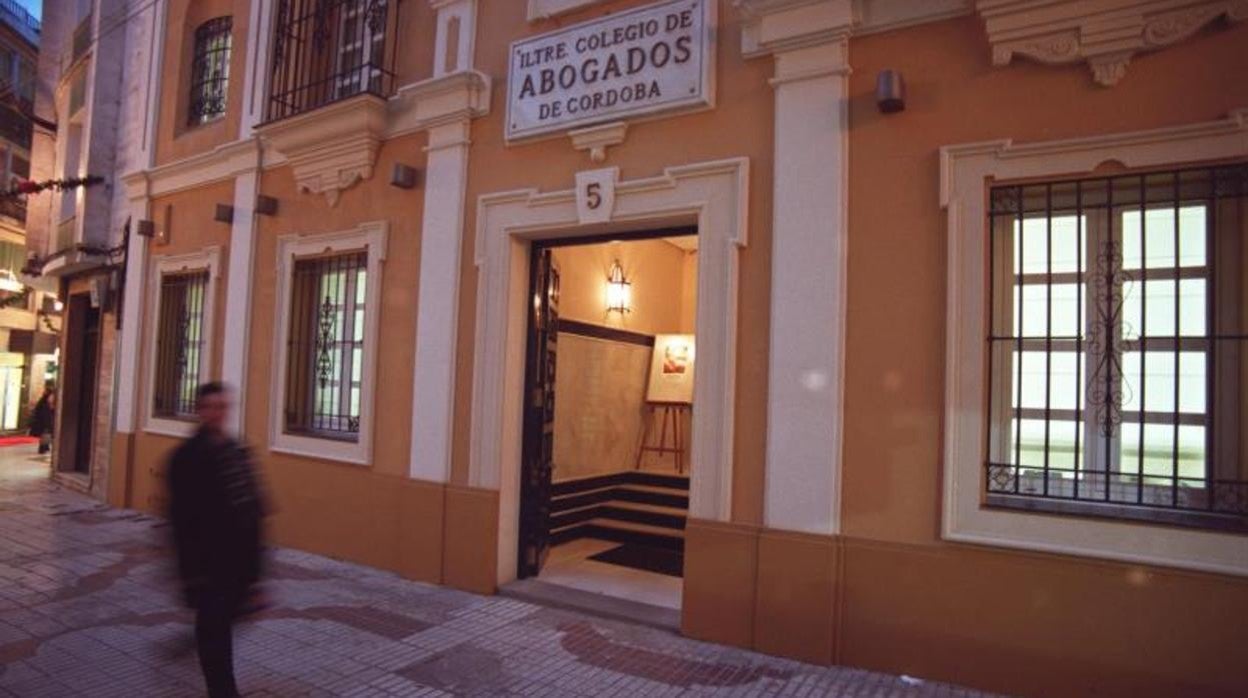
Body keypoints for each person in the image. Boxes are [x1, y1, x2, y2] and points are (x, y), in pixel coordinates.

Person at [166, 382, 267, 698]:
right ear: (199, 411)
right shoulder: (186, 458)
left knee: (221, 624)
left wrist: (257, 572)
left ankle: (194, 641)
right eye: (210, 407)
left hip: (238, 563)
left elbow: (254, 508)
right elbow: (180, 522)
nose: (216, 414)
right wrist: (190, 576)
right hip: (209, 567)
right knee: (216, 637)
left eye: (222, 407)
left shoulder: (237, 451)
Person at [29, 381, 55, 455]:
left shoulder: (43, 400)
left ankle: (45, 446)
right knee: (45, 433)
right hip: (44, 420)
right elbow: (43, 411)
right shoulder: (44, 401)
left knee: (46, 433)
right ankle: (43, 448)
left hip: (44, 420)